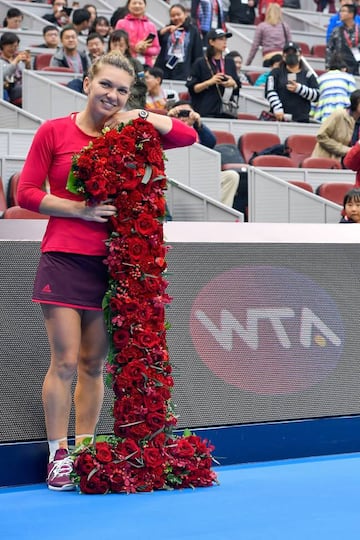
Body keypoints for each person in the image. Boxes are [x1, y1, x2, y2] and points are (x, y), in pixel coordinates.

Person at [17, 51, 197, 491]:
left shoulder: (131, 132)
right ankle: (58, 454)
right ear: (87, 84)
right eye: (105, 86)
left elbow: (187, 135)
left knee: (93, 364)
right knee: (63, 362)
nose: (112, 95)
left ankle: (84, 449)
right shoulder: (53, 131)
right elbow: (24, 192)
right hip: (63, 258)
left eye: (121, 89)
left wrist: (139, 113)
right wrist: (79, 210)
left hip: (114, 267)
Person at [168, 100, 241, 208]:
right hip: (176, 177)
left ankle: (221, 212)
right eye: (180, 113)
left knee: (231, 176)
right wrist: (170, 119)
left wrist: (198, 123)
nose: (183, 117)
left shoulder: (198, 132)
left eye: (187, 112)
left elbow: (211, 142)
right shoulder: (167, 129)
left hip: (200, 176)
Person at [186, 28, 241, 118]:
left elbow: (237, 86)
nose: (225, 42)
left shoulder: (230, 62)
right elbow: (193, 88)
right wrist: (210, 82)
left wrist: (233, 83)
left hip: (228, 111)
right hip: (206, 110)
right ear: (211, 42)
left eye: (225, 39)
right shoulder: (200, 62)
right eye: (221, 39)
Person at [265, 42, 320, 123]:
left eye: (294, 53)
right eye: (288, 53)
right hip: (279, 119)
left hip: (302, 120)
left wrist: (299, 88)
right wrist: (278, 108)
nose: (291, 55)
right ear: (283, 56)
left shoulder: (308, 75)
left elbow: (316, 96)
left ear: (300, 54)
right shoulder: (275, 73)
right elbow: (270, 91)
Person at [154, 3, 203, 81]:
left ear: (185, 14)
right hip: (165, 68)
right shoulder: (167, 30)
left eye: (178, 14)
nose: (176, 17)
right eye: (173, 15)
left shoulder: (193, 31)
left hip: (184, 69)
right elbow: (154, 41)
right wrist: (164, 30)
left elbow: (198, 53)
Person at [311, 89, 360, 161]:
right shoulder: (339, 115)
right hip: (328, 160)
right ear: (355, 103)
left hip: (351, 162)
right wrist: (346, 150)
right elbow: (321, 136)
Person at [108, 29, 147, 109]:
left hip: (130, 102)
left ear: (126, 46)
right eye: (114, 45)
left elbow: (142, 87)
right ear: (109, 45)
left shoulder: (136, 64)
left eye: (121, 45)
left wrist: (124, 92)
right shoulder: (102, 63)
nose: (117, 48)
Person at [312, 54, 356, 123]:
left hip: (324, 117)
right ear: (344, 69)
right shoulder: (349, 78)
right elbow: (354, 99)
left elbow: (314, 100)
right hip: (343, 116)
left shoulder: (320, 79)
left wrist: (311, 114)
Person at [115, 0, 160, 67]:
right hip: (125, 61)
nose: (137, 5)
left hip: (146, 64)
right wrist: (134, 47)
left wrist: (145, 50)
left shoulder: (151, 26)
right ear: (128, 5)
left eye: (140, 3)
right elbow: (116, 43)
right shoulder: (121, 23)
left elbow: (156, 49)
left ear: (145, 6)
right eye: (134, 3)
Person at [326, 3, 360, 75]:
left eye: (343, 11)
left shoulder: (358, 30)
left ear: (351, 14)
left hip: (356, 66)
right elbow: (329, 49)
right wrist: (328, 66)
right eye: (340, 11)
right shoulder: (336, 30)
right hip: (340, 66)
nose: (340, 13)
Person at [0, 31, 31, 106]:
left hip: (21, 87)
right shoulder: (2, 60)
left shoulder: (19, 60)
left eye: (16, 46)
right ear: (3, 46)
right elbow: (4, 75)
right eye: (10, 46)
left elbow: (26, 76)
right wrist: (16, 61)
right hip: (8, 89)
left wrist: (27, 64)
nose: (13, 49)